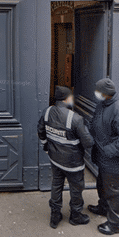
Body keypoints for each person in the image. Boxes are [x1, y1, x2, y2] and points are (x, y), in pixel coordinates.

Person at [37, 86, 94, 229]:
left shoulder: (47, 112)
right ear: (67, 98)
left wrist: (46, 147)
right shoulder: (75, 118)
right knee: (76, 188)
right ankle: (76, 216)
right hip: (73, 163)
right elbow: (88, 143)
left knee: (56, 185)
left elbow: (41, 131)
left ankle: (54, 216)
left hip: (55, 159)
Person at [88, 78, 119, 235]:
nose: (96, 94)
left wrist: (108, 150)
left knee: (114, 191)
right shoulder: (103, 104)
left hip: (114, 159)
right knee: (102, 184)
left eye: (98, 91)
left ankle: (115, 224)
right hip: (103, 157)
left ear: (105, 93)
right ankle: (103, 207)